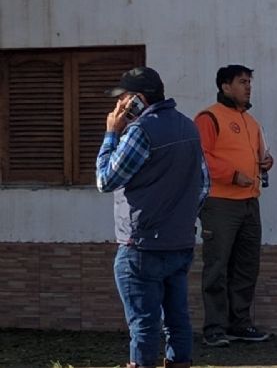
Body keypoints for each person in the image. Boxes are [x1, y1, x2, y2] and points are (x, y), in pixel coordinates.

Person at [96, 66, 210, 368]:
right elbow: (203, 186)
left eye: (124, 99)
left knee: (144, 326)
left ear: (138, 99)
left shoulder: (139, 132)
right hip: (180, 242)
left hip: (141, 246)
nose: (119, 106)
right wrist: (180, 218)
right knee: (177, 320)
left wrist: (111, 133)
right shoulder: (188, 127)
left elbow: (106, 180)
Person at [194, 64, 273, 347]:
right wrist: (231, 175)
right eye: (242, 82)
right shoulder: (208, 117)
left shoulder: (252, 123)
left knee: (246, 266)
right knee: (217, 266)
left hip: (250, 203)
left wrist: (267, 162)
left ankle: (240, 324)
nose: (248, 86)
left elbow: (261, 154)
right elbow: (199, 158)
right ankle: (214, 328)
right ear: (226, 87)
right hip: (220, 203)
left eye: (249, 81)